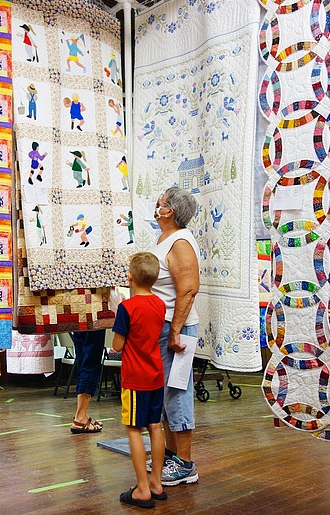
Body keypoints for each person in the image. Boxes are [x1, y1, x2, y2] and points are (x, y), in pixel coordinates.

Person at [148, 187, 200, 486]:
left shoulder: (181, 242)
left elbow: (189, 288)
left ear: (169, 211)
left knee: (178, 393)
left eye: (161, 203)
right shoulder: (164, 239)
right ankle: (171, 454)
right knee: (167, 395)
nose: (156, 206)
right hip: (163, 327)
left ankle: (185, 464)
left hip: (175, 329)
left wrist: (176, 330)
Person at [111, 252, 167, 508]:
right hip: (156, 375)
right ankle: (156, 482)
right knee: (155, 426)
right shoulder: (160, 304)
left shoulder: (126, 308)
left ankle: (142, 489)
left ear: (130, 278)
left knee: (133, 429)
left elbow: (118, 344)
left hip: (135, 379)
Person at [70, 330, 105, 434]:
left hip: (79, 320)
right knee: (90, 364)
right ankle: (80, 417)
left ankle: (81, 414)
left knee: (82, 365)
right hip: (93, 321)